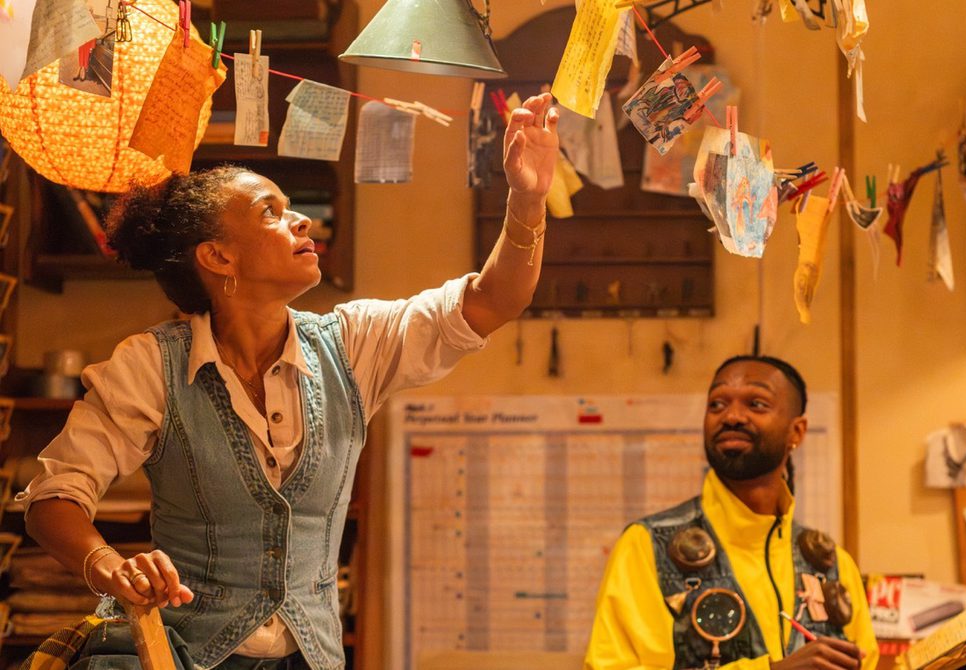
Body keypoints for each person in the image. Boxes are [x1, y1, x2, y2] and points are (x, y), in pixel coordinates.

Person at [17, 93, 560, 670]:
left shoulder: (355, 343)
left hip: (312, 657)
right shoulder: (150, 365)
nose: (299, 218)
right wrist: (110, 565)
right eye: (269, 212)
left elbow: (495, 299)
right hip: (182, 656)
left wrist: (527, 199)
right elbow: (52, 499)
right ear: (219, 258)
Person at [584, 355, 878, 670]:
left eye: (757, 404)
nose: (732, 416)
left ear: (797, 432)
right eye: (717, 405)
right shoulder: (649, 546)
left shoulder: (832, 564)